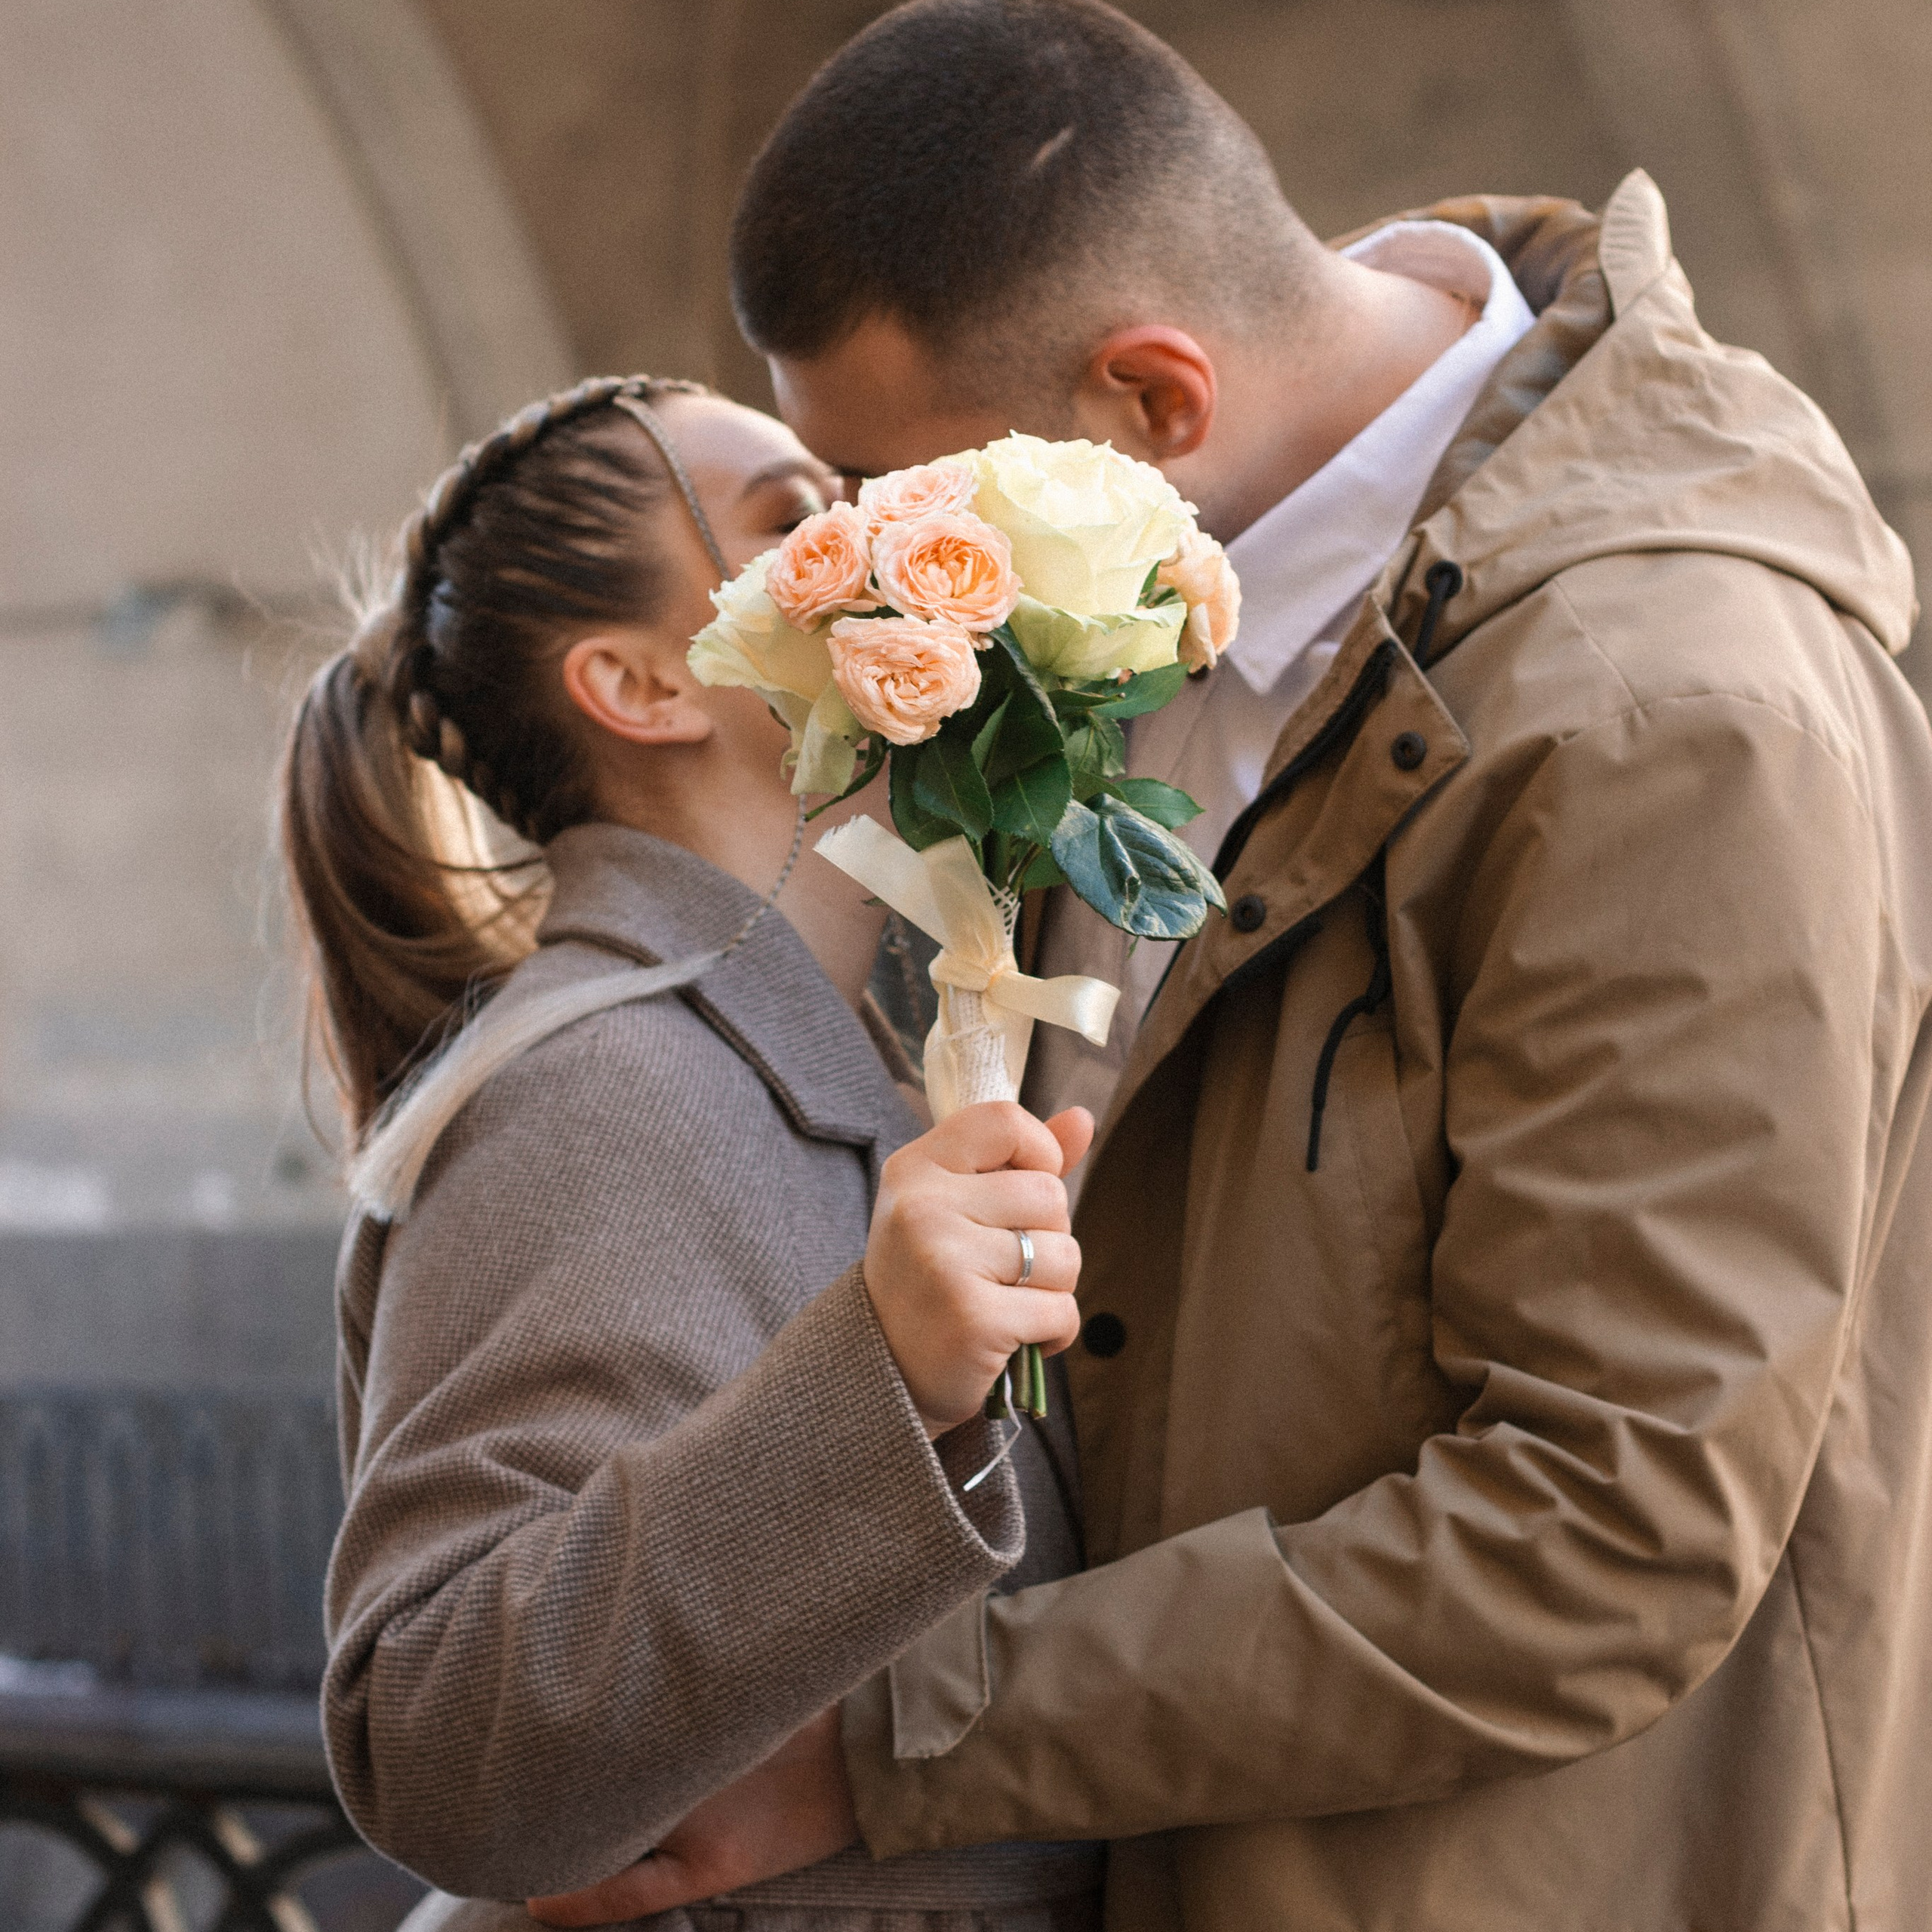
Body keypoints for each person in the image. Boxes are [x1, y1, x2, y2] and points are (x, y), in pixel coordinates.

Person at [534, 3, 1932, 1928]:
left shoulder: (1663, 714)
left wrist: (891, 1748)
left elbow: (1609, 1526)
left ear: (1150, 400)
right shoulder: (1187, 562)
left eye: (903, 485)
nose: (866, 553)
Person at [281, 373, 1107, 1929]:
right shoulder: (606, 1082)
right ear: (643, 685)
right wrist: (882, 1372)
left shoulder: (798, 1051)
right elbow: (442, 1742)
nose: (885, 527)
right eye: (793, 512)